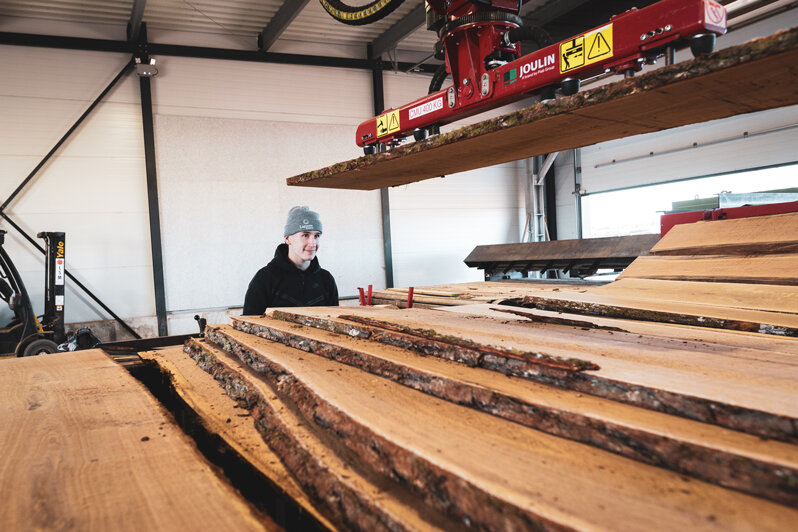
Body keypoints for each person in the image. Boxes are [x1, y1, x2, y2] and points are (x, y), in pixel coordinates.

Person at [242, 206, 338, 315]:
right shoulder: (265, 279)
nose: (313, 243)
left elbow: (334, 320)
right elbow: (248, 321)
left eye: (316, 236)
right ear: (288, 239)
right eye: (305, 235)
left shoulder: (326, 280)